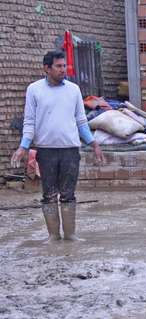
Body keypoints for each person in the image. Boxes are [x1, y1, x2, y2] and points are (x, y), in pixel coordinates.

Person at [10, 50, 104, 242]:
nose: (63, 70)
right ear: (47, 68)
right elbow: (29, 122)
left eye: (64, 66)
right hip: (46, 151)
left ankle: (70, 235)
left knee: (68, 194)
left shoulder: (73, 90)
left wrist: (93, 143)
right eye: (59, 66)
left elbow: (81, 121)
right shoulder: (34, 90)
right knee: (49, 194)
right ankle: (53, 236)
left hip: (70, 150)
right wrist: (23, 146)